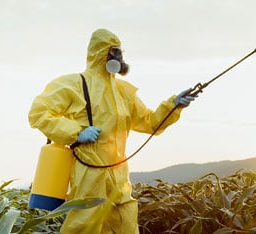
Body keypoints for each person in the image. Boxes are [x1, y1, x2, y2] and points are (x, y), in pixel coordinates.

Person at [28, 28, 195, 233]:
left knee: (125, 223)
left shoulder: (124, 91)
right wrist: (76, 132)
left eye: (120, 52)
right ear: (101, 53)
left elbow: (149, 122)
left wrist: (174, 105)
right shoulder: (73, 84)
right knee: (84, 226)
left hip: (119, 174)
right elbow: (38, 112)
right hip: (89, 172)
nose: (119, 57)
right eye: (114, 51)